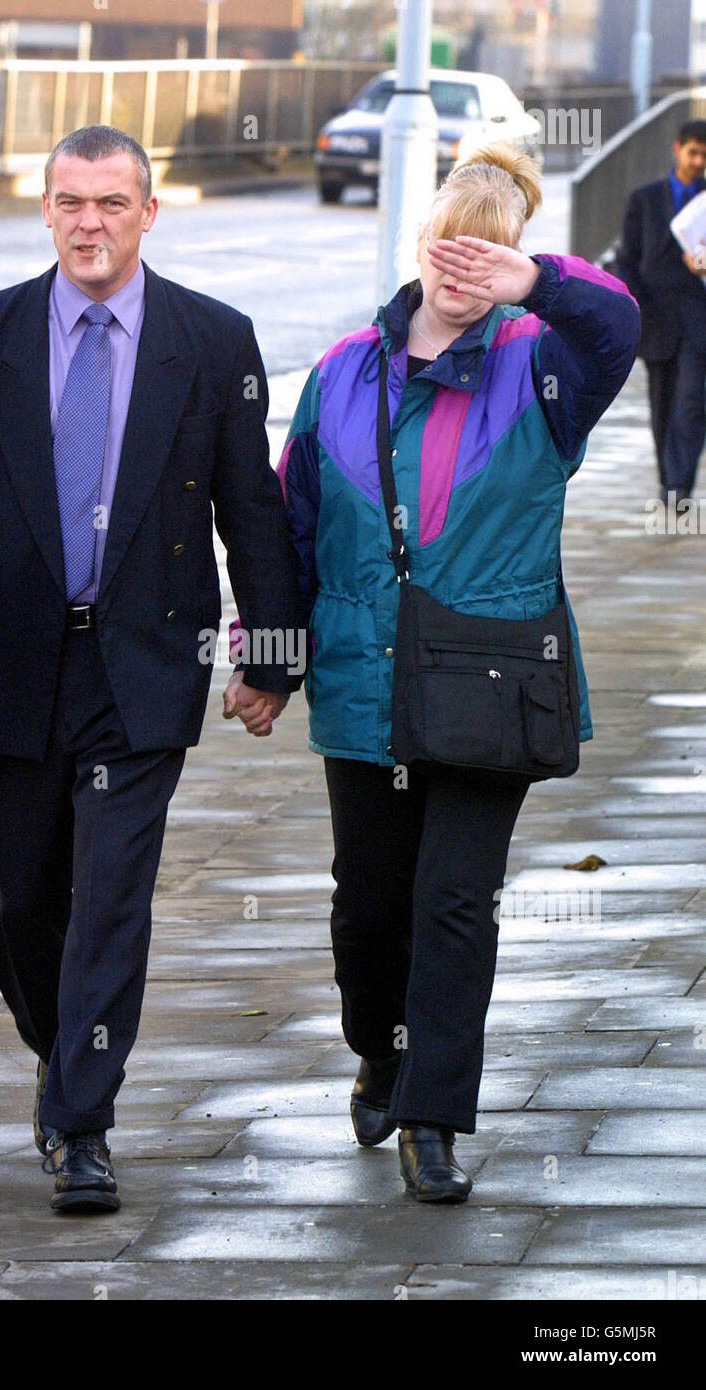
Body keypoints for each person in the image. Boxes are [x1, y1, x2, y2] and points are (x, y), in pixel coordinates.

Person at [0, 125, 304, 1214]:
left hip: (141, 663)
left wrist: (275, 658)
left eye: (111, 203)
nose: (89, 224)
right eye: (69, 202)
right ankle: (66, 1051)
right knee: (21, 905)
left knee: (111, 897)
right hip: (1, 658)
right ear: (47, 210)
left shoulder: (211, 341)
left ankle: (80, 1124)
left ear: (147, 212)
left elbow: (252, 514)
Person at [267, 144, 640, 1202]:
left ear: (513, 259)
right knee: (367, 907)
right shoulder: (341, 369)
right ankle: (380, 1053)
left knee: (452, 901)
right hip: (361, 685)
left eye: (487, 253)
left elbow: (622, 324)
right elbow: (290, 525)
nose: (459, 268)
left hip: (490, 682)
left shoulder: (545, 365)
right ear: (416, 240)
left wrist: (540, 285)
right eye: (446, 244)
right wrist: (267, 657)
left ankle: (432, 1116)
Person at [615, 120, 706, 507]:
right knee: (662, 403)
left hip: (699, 318)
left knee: (691, 402)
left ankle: (679, 486)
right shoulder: (644, 198)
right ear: (677, 149)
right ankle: (667, 479)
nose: (698, 161)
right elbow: (627, 259)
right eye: (693, 152)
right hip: (655, 317)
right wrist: (637, 309)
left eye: (704, 154)